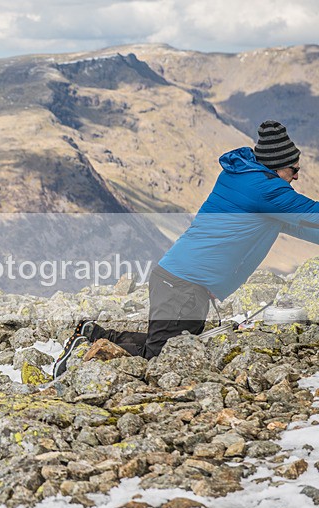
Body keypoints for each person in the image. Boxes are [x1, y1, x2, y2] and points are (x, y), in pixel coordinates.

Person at [55, 120, 319, 377]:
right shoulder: (266, 190)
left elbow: (297, 225)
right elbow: (311, 215)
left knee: (165, 345)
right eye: (293, 169)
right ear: (275, 166)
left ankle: (94, 335)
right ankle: (82, 356)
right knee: (161, 357)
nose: (296, 175)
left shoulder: (243, 178)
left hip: (176, 280)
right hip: (184, 287)